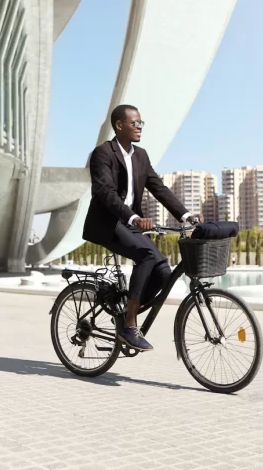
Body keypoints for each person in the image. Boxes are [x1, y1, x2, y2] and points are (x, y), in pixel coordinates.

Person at [83, 104, 202, 352]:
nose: (139, 127)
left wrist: (186, 215)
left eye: (140, 123)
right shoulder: (102, 154)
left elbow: (158, 188)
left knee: (163, 271)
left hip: (130, 223)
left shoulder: (141, 155)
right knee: (146, 255)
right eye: (134, 123)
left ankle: (128, 308)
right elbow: (105, 193)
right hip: (108, 223)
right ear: (119, 125)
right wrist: (134, 217)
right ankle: (128, 325)